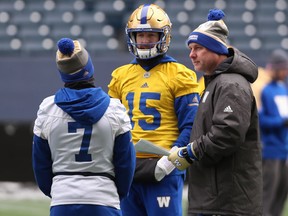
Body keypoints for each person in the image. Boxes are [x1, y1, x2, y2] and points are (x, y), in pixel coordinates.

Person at [168, 9, 263, 215]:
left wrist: (191, 152)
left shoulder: (231, 85)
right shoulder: (216, 83)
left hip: (226, 203)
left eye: (198, 48)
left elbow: (227, 134)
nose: (191, 54)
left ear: (217, 50)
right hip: (215, 200)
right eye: (190, 48)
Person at [108, 4, 200, 216]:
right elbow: (110, 124)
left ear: (164, 37)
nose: (145, 41)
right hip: (128, 166)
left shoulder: (179, 74)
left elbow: (191, 124)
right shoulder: (120, 75)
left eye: (151, 35)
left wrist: (172, 158)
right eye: (140, 35)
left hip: (163, 166)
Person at [32, 38, 136, 216]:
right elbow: (126, 162)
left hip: (62, 198)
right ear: (89, 67)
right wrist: (117, 193)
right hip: (104, 196)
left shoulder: (47, 108)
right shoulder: (115, 109)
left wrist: (59, 192)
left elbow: (40, 164)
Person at [259, 49, 288, 216]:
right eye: (283, 68)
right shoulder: (266, 90)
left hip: (284, 150)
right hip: (271, 151)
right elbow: (262, 121)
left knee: (281, 195)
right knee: (268, 194)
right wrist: (282, 122)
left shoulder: (283, 88)